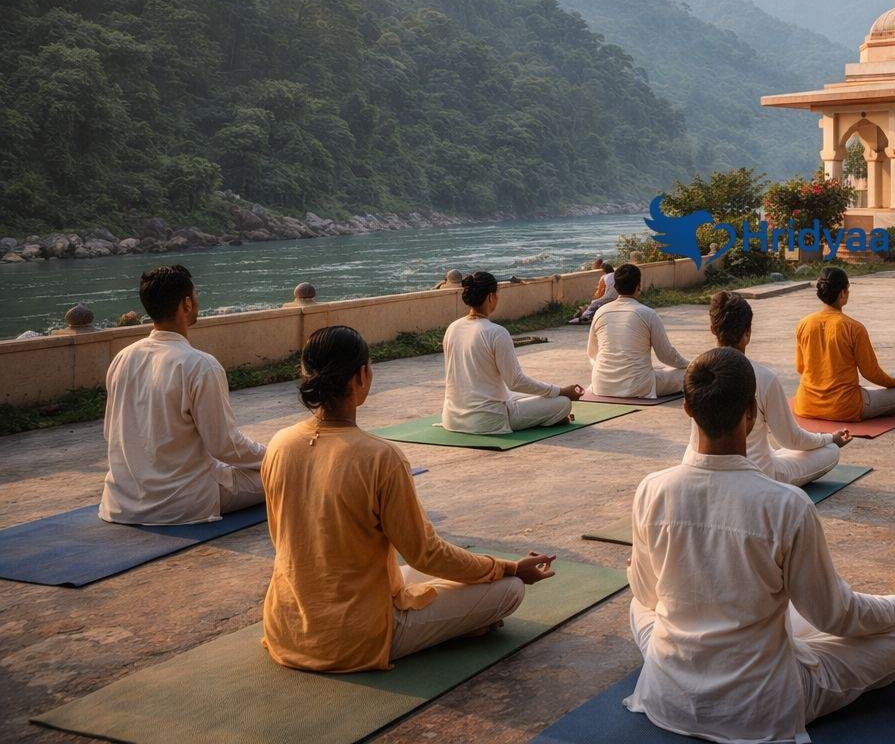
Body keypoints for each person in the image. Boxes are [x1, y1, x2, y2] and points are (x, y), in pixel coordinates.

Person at [626, 347, 895, 742]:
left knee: (639, 602)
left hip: (668, 695)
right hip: (759, 705)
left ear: (687, 408)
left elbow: (647, 593)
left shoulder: (651, 490)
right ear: (753, 413)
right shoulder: (786, 505)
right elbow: (837, 616)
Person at [261, 325, 557, 672]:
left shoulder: (279, 444)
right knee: (508, 589)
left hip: (287, 626)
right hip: (355, 638)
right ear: (362, 376)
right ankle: (448, 628)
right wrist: (505, 567)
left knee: (415, 574)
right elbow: (425, 553)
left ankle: (450, 622)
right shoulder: (380, 457)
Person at [98, 265, 266, 525]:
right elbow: (225, 446)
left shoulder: (123, 358)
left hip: (123, 501)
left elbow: (111, 432)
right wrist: (277, 455)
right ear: (186, 304)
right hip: (183, 501)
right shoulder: (200, 365)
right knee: (287, 473)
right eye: (195, 295)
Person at [684, 292, 850, 486]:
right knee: (830, 450)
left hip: (696, 465)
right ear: (748, 332)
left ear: (712, 329)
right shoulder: (763, 377)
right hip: (755, 474)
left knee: (772, 449)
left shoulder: (695, 369)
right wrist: (829, 438)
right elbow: (791, 439)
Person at [441, 271, 583, 434]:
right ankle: (551, 416)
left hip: (452, 418)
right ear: (490, 297)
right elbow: (516, 381)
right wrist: (560, 391)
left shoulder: (453, 328)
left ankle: (548, 415)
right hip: (488, 420)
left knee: (512, 394)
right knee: (563, 402)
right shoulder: (496, 332)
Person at [794, 266, 895, 422]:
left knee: (869, 391)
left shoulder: (804, 323)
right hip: (843, 407)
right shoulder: (854, 328)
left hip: (806, 404)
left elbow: (800, 367)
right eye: (848, 289)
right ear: (842, 293)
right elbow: (871, 373)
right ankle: (878, 409)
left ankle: (878, 408)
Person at [587, 263, 690, 397]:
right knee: (687, 374)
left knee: (658, 369)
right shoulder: (647, 313)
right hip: (638, 386)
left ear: (616, 287)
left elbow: (592, 353)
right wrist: (690, 364)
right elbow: (666, 355)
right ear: (638, 286)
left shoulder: (600, 312)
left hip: (601, 385)